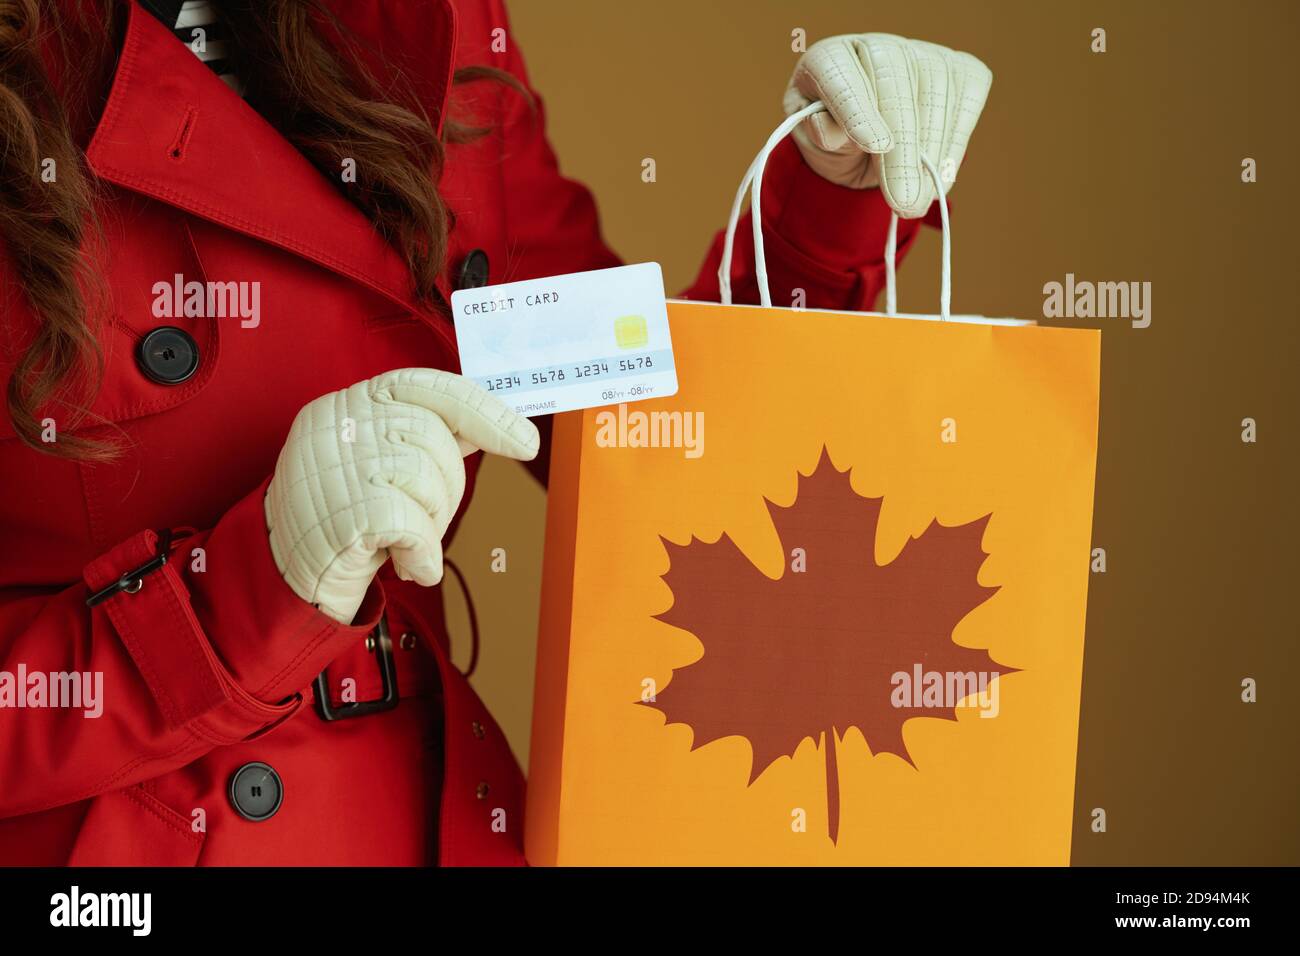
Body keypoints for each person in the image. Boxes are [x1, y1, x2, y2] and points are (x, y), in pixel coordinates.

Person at [0, 0, 990, 865]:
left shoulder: (432, 21)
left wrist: (828, 210)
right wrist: (239, 595)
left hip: (429, 817)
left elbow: (620, 422)